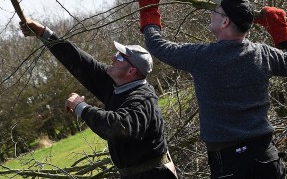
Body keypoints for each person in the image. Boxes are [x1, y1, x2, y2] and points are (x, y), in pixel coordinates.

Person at [134, 0, 287, 179]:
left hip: (229, 164)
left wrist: (149, 7)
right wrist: (279, 27)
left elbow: (157, 45)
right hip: (266, 158)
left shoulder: (201, 56)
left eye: (215, 10)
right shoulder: (263, 53)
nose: (211, 13)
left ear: (226, 22)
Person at [20, 19, 178, 179]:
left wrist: (81, 107)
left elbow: (119, 127)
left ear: (131, 71)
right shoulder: (115, 83)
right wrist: (43, 33)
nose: (113, 57)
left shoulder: (143, 99)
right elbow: (78, 60)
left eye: (120, 57)